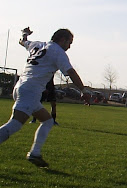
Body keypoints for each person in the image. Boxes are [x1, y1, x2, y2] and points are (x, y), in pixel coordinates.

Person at [0, 27, 90, 168]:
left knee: (47, 121)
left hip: (21, 87)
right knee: (15, 124)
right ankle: (34, 153)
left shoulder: (37, 44)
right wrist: (83, 90)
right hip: (31, 90)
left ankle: (35, 153)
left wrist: (24, 34)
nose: (69, 46)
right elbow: (71, 72)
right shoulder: (58, 52)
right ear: (62, 39)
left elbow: (22, 42)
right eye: (69, 42)